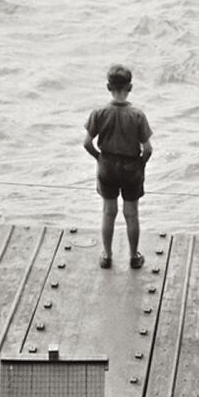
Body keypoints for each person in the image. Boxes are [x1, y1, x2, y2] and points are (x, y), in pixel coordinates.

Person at [83, 64, 153, 269]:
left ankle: (107, 255)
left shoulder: (99, 113)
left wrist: (99, 158)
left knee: (108, 211)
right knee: (131, 213)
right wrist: (140, 164)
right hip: (131, 167)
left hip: (107, 166)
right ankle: (134, 256)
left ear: (108, 87)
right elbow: (148, 149)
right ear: (130, 87)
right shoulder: (137, 115)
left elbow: (87, 143)